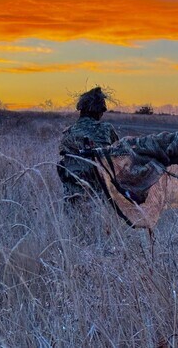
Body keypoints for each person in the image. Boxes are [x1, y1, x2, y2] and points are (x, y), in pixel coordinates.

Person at [58, 87, 119, 240]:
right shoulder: (106, 128)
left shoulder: (69, 131)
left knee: (74, 233)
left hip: (72, 190)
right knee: (98, 233)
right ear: (99, 111)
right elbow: (119, 152)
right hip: (99, 192)